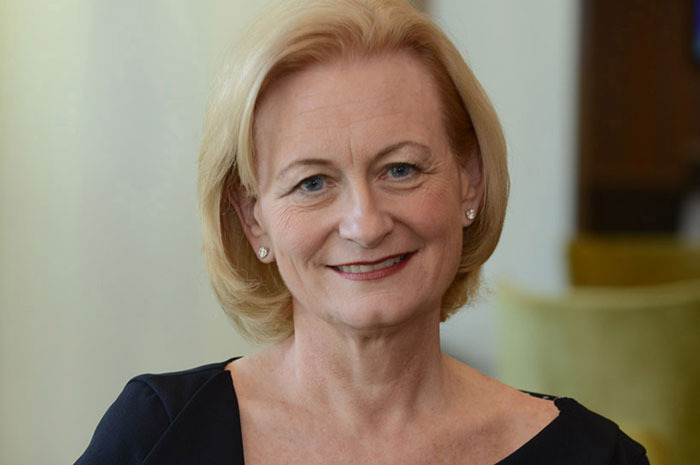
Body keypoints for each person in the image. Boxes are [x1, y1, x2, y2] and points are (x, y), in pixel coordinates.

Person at [75, 0, 650, 463]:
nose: (366, 225)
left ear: (470, 181)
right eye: (312, 183)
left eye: (400, 170)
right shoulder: (157, 435)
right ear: (253, 219)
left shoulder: (594, 456)